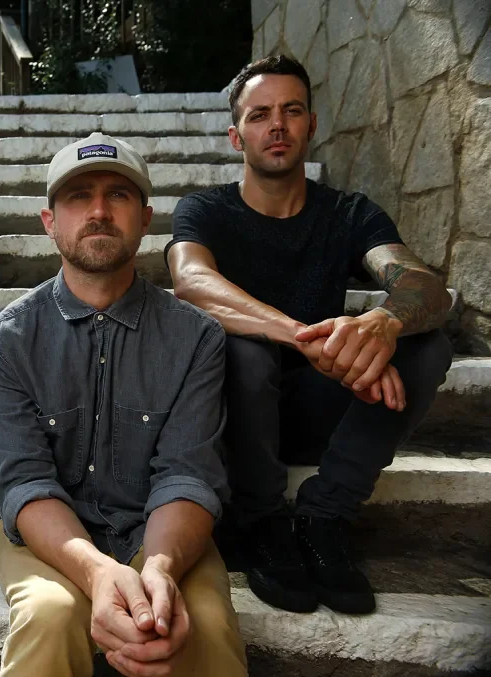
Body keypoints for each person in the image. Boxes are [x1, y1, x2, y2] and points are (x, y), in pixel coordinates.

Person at [166, 55, 454, 615]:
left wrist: (383, 324)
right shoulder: (205, 211)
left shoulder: (348, 213)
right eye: (260, 114)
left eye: (291, 111)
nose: (277, 125)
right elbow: (191, 282)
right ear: (236, 136)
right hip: (236, 418)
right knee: (241, 348)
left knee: (429, 342)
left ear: (311, 126)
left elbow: (425, 286)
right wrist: (305, 338)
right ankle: (261, 520)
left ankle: (324, 515)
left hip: (326, 410)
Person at [0, 133, 248, 677]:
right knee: (48, 616)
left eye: (118, 195)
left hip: (161, 532)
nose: (98, 211)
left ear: (146, 218)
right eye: (78, 197)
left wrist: (161, 571)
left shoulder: (196, 338)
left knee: (205, 625)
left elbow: (187, 475)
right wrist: (99, 573)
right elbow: (26, 481)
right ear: (49, 222)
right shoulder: (3, 341)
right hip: (51, 537)